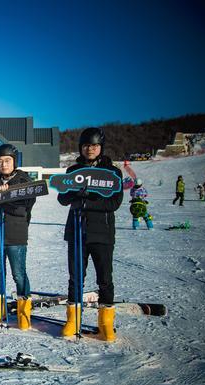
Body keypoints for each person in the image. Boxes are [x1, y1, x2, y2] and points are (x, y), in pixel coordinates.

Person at [57, 128, 123, 342]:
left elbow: (114, 202)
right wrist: (75, 193)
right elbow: (62, 198)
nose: (90, 149)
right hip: (76, 231)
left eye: (94, 145)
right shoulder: (73, 170)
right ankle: (73, 320)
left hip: (102, 233)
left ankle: (105, 324)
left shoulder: (112, 172)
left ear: (101, 147)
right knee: (76, 278)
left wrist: (87, 201)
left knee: (105, 279)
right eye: (86, 145)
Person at [0, 144, 36, 329]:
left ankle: (24, 310)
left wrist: (4, 198)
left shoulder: (24, 180)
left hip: (15, 234)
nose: (4, 164)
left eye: (7, 160)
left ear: (14, 162)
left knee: (19, 274)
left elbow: (23, 207)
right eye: (0, 161)